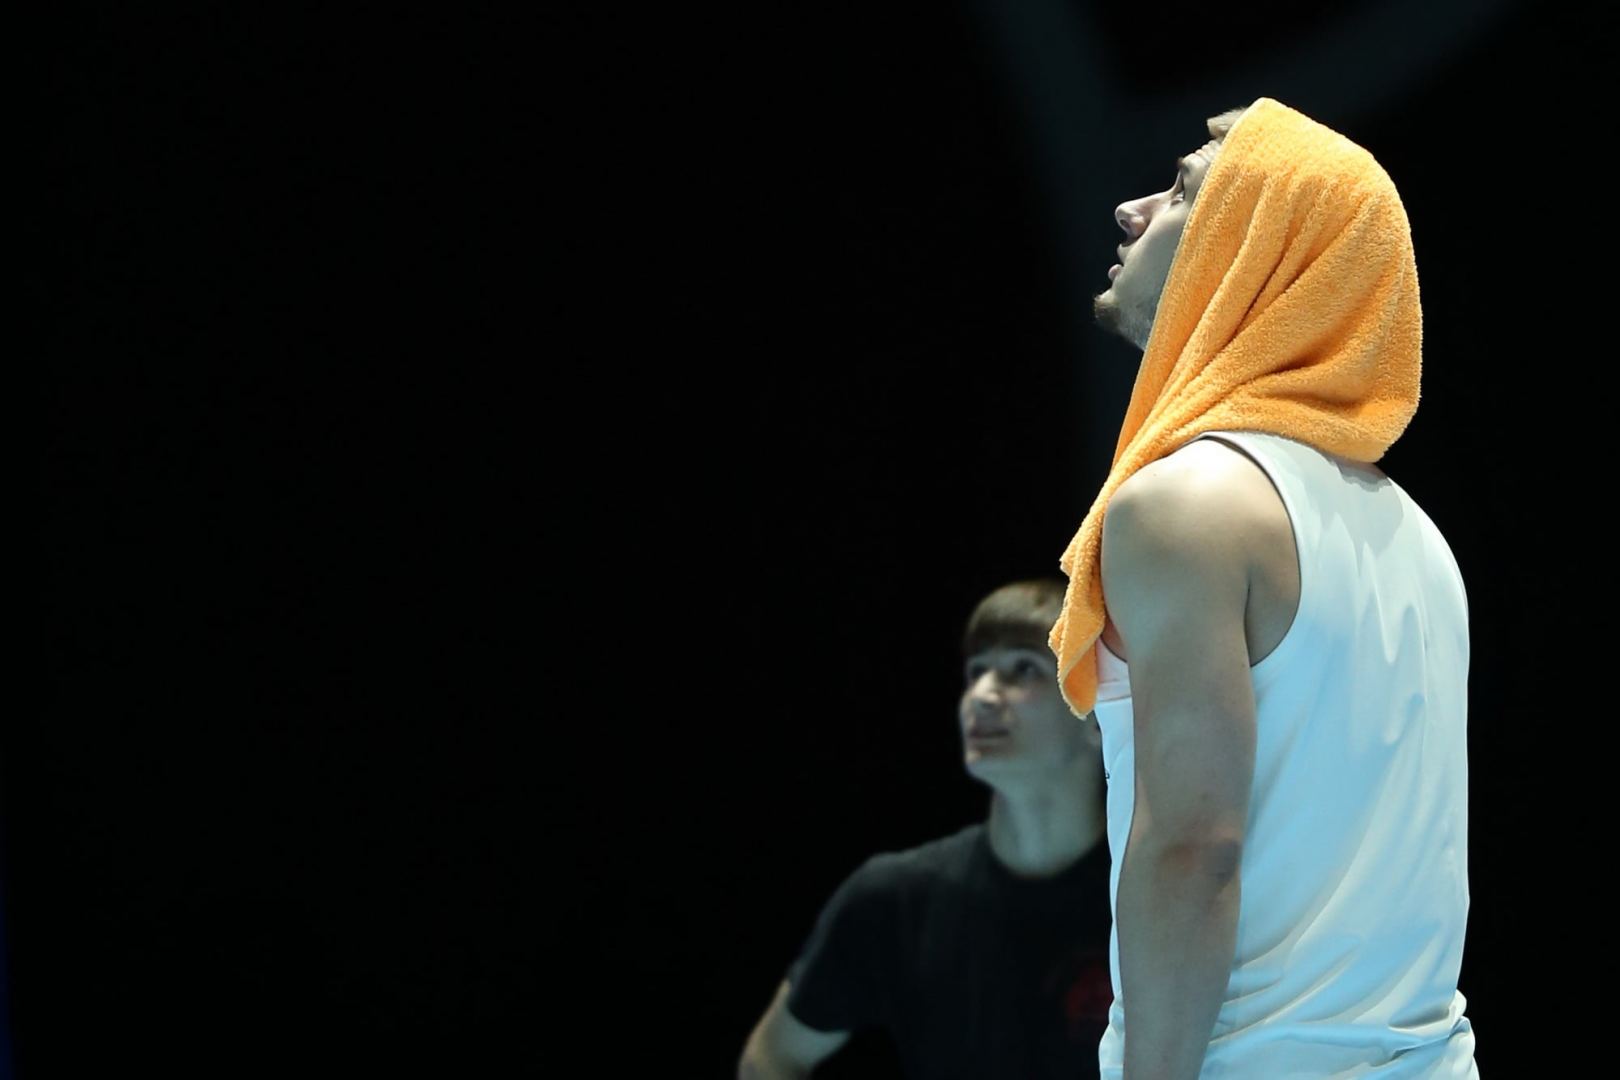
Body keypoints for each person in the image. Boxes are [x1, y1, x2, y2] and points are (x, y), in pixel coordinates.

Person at [1049, 96, 1478, 1077]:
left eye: (1181, 193)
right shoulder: (1419, 539)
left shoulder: (1187, 505)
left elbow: (1194, 846)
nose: (1128, 209)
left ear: (1249, 252)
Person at [738, 580, 1114, 1079]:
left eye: (1024, 669)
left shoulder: (1156, 891)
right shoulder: (895, 898)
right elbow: (770, 1059)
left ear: (1096, 715)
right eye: (976, 672)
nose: (981, 695)